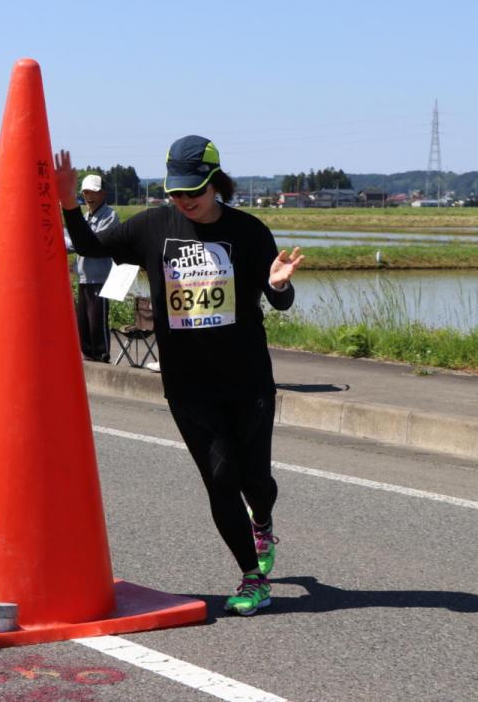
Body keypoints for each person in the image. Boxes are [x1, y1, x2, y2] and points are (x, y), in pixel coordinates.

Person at [56, 135, 303, 616]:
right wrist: (69, 203)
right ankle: (253, 576)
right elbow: (88, 246)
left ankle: (264, 518)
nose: (184, 201)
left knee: (256, 479)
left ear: (217, 183)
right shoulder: (154, 226)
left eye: (194, 191)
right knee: (219, 476)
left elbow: (278, 299)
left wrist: (278, 284)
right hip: (188, 383)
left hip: (247, 377)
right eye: (176, 192)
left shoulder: (249, 232)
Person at [73, 173, 119, 361]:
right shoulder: (84, 216)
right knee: (82, 323)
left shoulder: (110, 216)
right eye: (85, 192)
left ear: (103, 194)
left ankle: (102, 356)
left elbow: (95, 242)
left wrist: (77, 242)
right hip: (84, 277)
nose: (88, 196)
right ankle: (88, 357)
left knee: (96, 323)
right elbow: (78, 242)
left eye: (93, 192)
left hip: (100, 278)